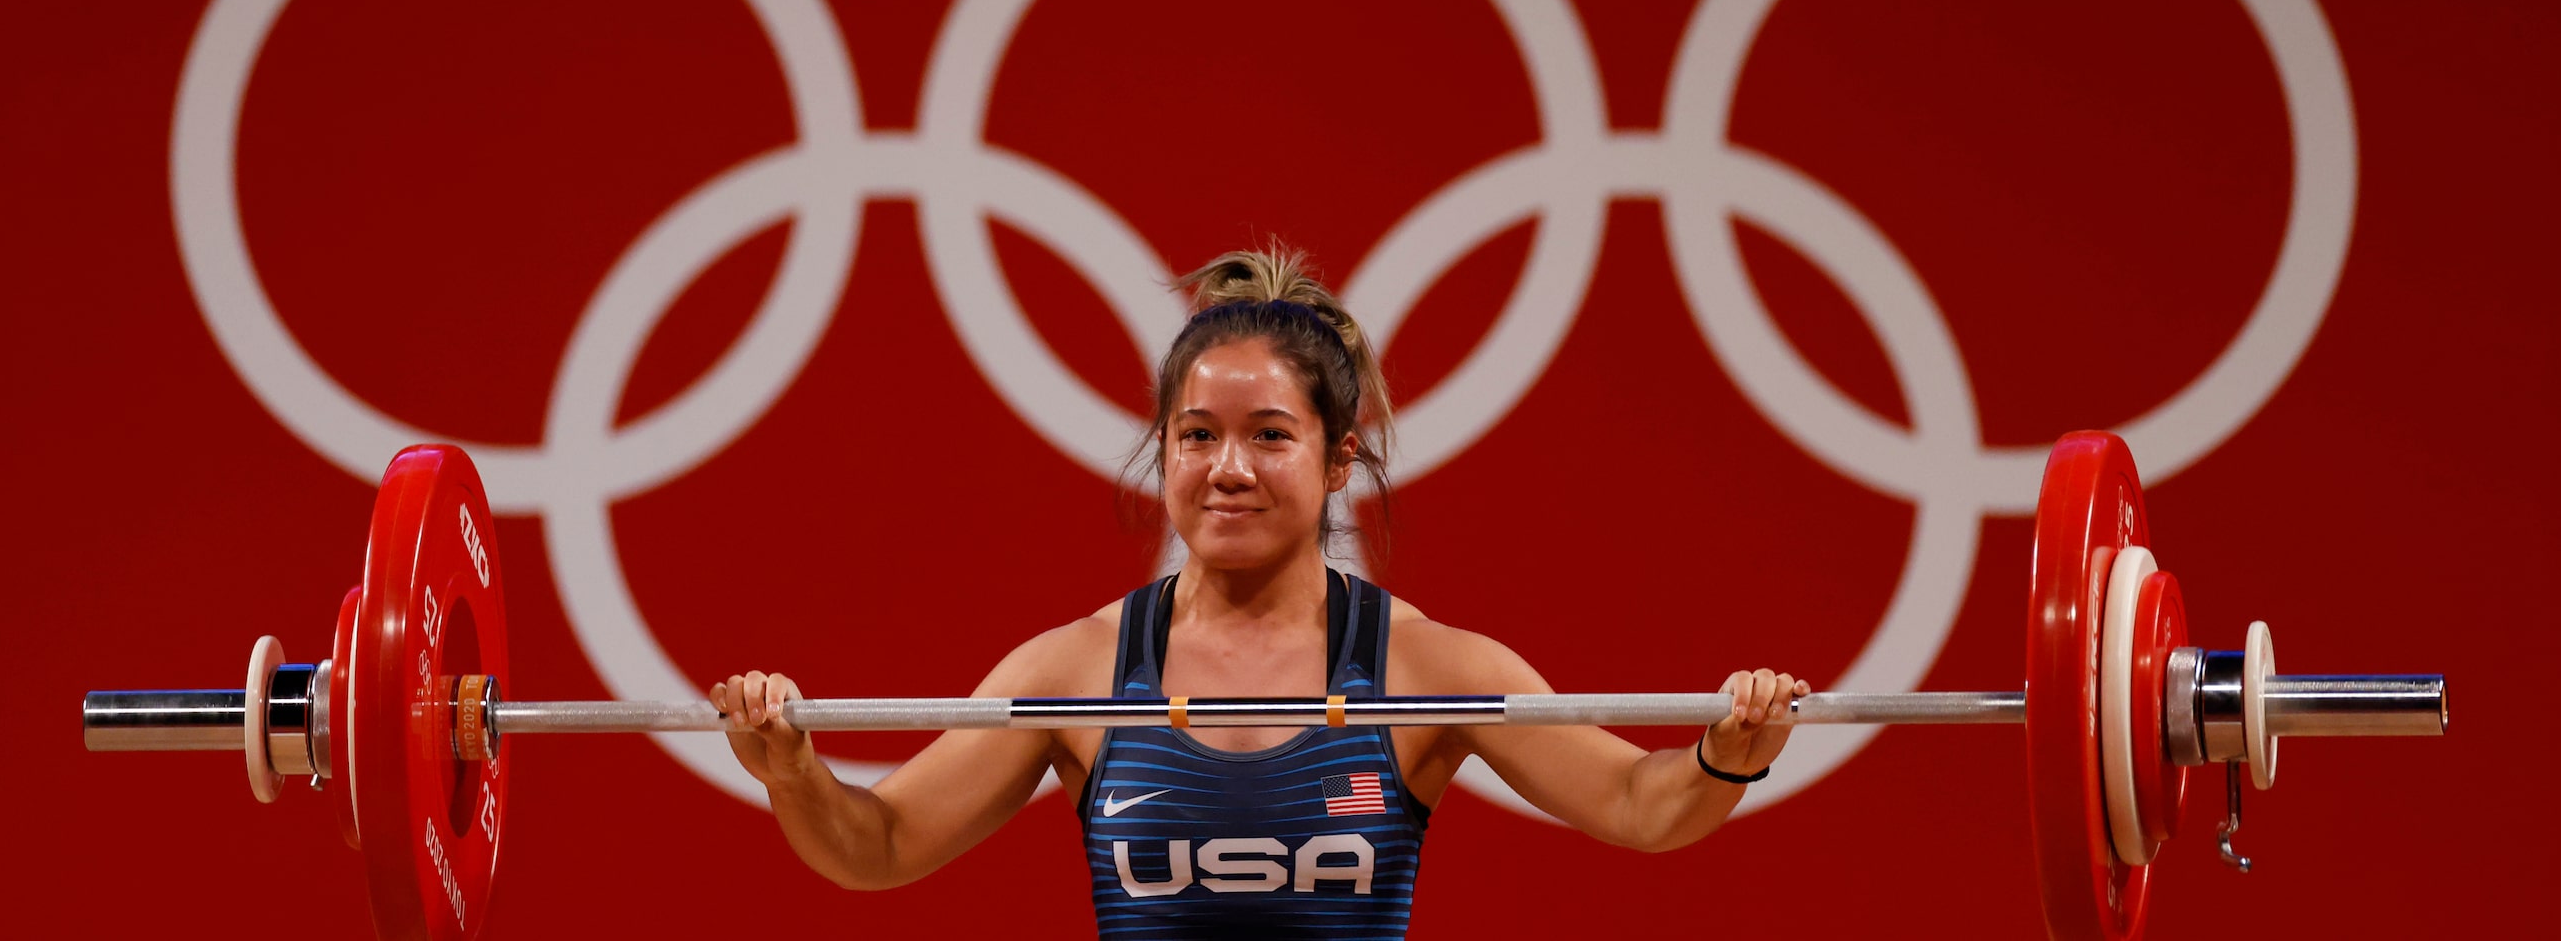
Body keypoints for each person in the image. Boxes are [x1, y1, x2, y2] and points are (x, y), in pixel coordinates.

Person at [711, 243, 1806, 932]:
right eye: (1196, 435)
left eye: (1268, 436)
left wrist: (1725, 757)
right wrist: (794, 774)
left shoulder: (1424, 667)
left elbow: (1635, 806)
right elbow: (880, 848)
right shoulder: (1081, 671)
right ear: (1164, 452)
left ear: (1338, 460)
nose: (1226, 467)